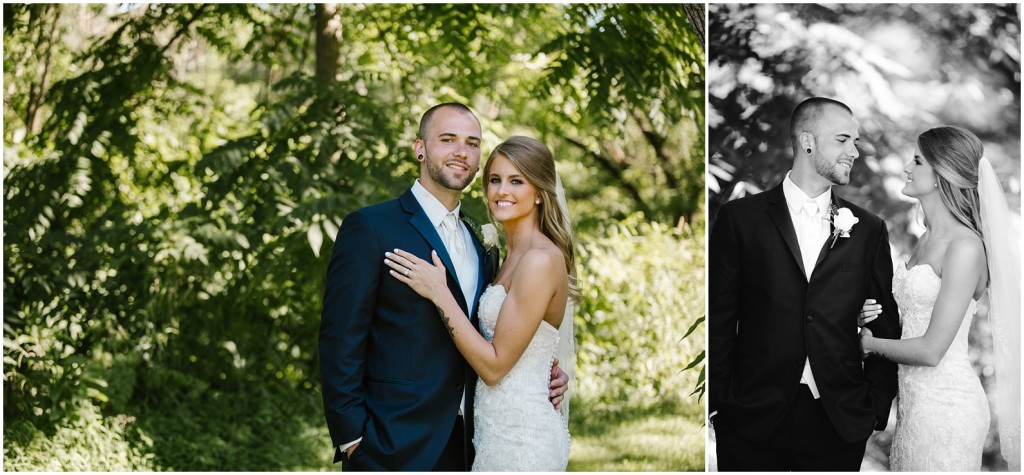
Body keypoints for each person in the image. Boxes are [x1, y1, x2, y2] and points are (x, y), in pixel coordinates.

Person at [319, 104, 569, 471]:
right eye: (447, 139)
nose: (460, 152)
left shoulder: (482, 244)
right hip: (390, 445)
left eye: (471, 143)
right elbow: (340, 340)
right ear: (419, 148)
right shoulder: (371, 228)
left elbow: (502, 334)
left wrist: (544, 370)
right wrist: (352, 439)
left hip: (468, 443)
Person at [709, 97, 901, 470]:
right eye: (843, 140)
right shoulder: (740, 219)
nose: (854, 152)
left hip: (838, 421)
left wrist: (874, 409)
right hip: (750, 419)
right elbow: (719, 317)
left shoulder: (868, 229)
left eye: (856, 142)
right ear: (807, 142)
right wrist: (720, 404)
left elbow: (885, 324)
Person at [384, 135, 575, 471]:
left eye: (517, 181)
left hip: (522, 439)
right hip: (490, 434)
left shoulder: (540, 260)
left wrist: (439, 292)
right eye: (494, 180)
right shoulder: (503, 257)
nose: (502, 191)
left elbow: (494, 366)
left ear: (540, 193)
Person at [857, 126, 1021, 471]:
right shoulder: (926, 239)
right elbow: (909, 319)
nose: (905, 167)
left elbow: (931, 351)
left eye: (916, 160)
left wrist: (869, 344)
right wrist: (865, 317)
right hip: (914, 407)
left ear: (941, 174)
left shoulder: (965, 247)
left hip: (948, 409)